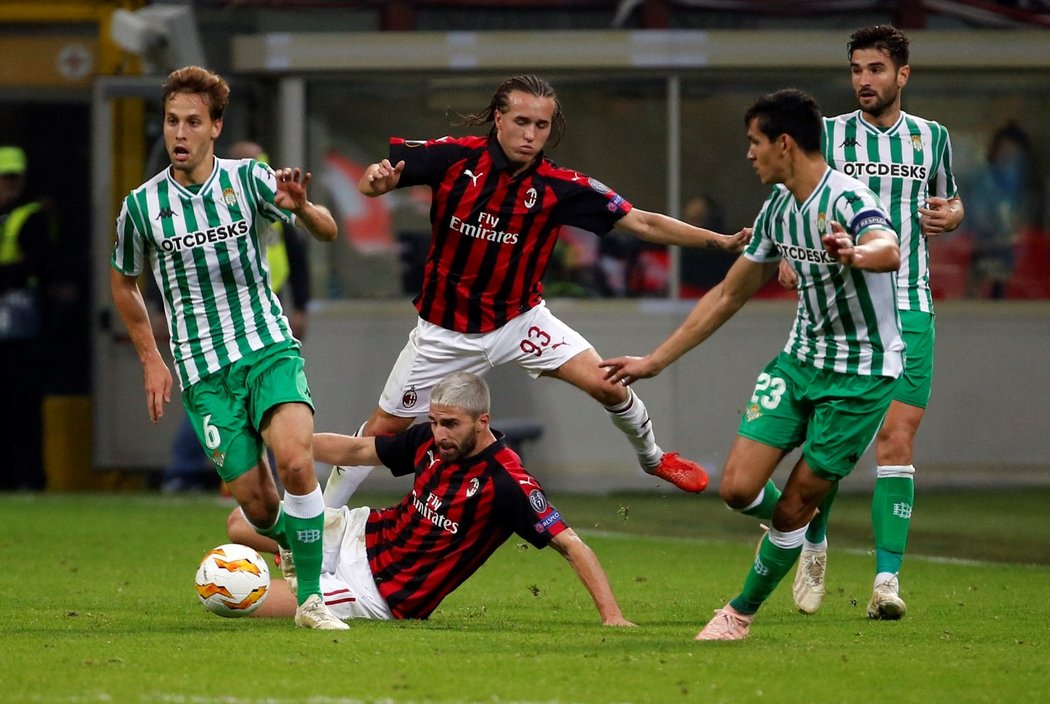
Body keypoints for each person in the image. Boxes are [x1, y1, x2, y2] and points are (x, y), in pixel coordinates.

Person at [326, 74, 750, 509]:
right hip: (443, 333)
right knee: (383, 432)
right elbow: (373, 178)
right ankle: (316, 523)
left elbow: (642, 222)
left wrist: (719, 241)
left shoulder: (560, 187)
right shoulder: (454, 158)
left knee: (609, 385)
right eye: (522, 121)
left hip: (520, 321)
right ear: (498, 118)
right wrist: (372, 183)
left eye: (542, 126)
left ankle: (654, 458)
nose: (530, 135)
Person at [601, 88, 904, 640]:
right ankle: (803, 528)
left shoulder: (846, 199)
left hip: (860, 377)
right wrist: (654, 362)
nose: (749, 154)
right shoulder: (779, 211)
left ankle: (738, 613)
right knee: (738, 489)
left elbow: (889, 247)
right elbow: (727, 295)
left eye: (754, 142)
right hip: (799, 362)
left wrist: (855, 253)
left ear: (783, 143)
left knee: (792, 507)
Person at [109, 66, 346, 630]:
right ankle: (300, 544)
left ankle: (311, 600)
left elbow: (328, 229)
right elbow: (124, 282)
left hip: (266, 347)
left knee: (294, 461)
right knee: (259, 507)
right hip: (202, 371)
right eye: (172, 122)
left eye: (193, 121)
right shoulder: (141, 207)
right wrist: (150, 357)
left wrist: (303, 207)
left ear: (216, 126)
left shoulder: (250, 181)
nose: (180, 133)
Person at [781, 25, 965, 620]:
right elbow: (794, 199)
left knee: (897, 439)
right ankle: (814, 539)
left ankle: (886, 582)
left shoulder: (932, 139)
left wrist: (952, 214)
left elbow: (951, 201)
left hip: (910, 305)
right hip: (843, 311)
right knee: (835, 441)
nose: (864, 79)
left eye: (876, 69)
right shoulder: (829, 136)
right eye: (857, 69)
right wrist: (788, 250)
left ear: (902, 75)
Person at [227, 372, 635, 626]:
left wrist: (612, 616)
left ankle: (301, 561)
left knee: (240, 599)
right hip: (361, 534)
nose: (439, 434)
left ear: (482, 421)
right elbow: (356, 451)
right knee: (238, 523)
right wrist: (289, 445)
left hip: (378, 594)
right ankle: (300, 552)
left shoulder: (507, 483)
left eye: (451, 425)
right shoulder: (430, 441)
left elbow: (571, 545)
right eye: (436, 421)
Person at [159, 139, 314, 494]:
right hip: (214, 315)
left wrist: (300, 304)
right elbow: (170, 255)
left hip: (264, 308)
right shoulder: (202, 203)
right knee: (213, 392)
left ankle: (280, 474)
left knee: (270, 398)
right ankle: (185, 470)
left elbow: (298, 254)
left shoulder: (270, 197)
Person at [0, 145, 54, 491]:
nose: (10, 183)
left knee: (22, 405)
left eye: (14, 177)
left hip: (20, 328)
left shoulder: (31, 215)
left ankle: (29, 477)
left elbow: (36, 264)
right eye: (5, 177)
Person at [966, 121, 1037, 299]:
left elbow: (1023, 218)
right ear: (996, 149)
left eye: (1015, 152)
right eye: (1005, 149)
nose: (1010, 156)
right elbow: (976, 217)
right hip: (985, 247)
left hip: (1015, 253)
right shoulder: (985, 180)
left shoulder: (1024, 182)